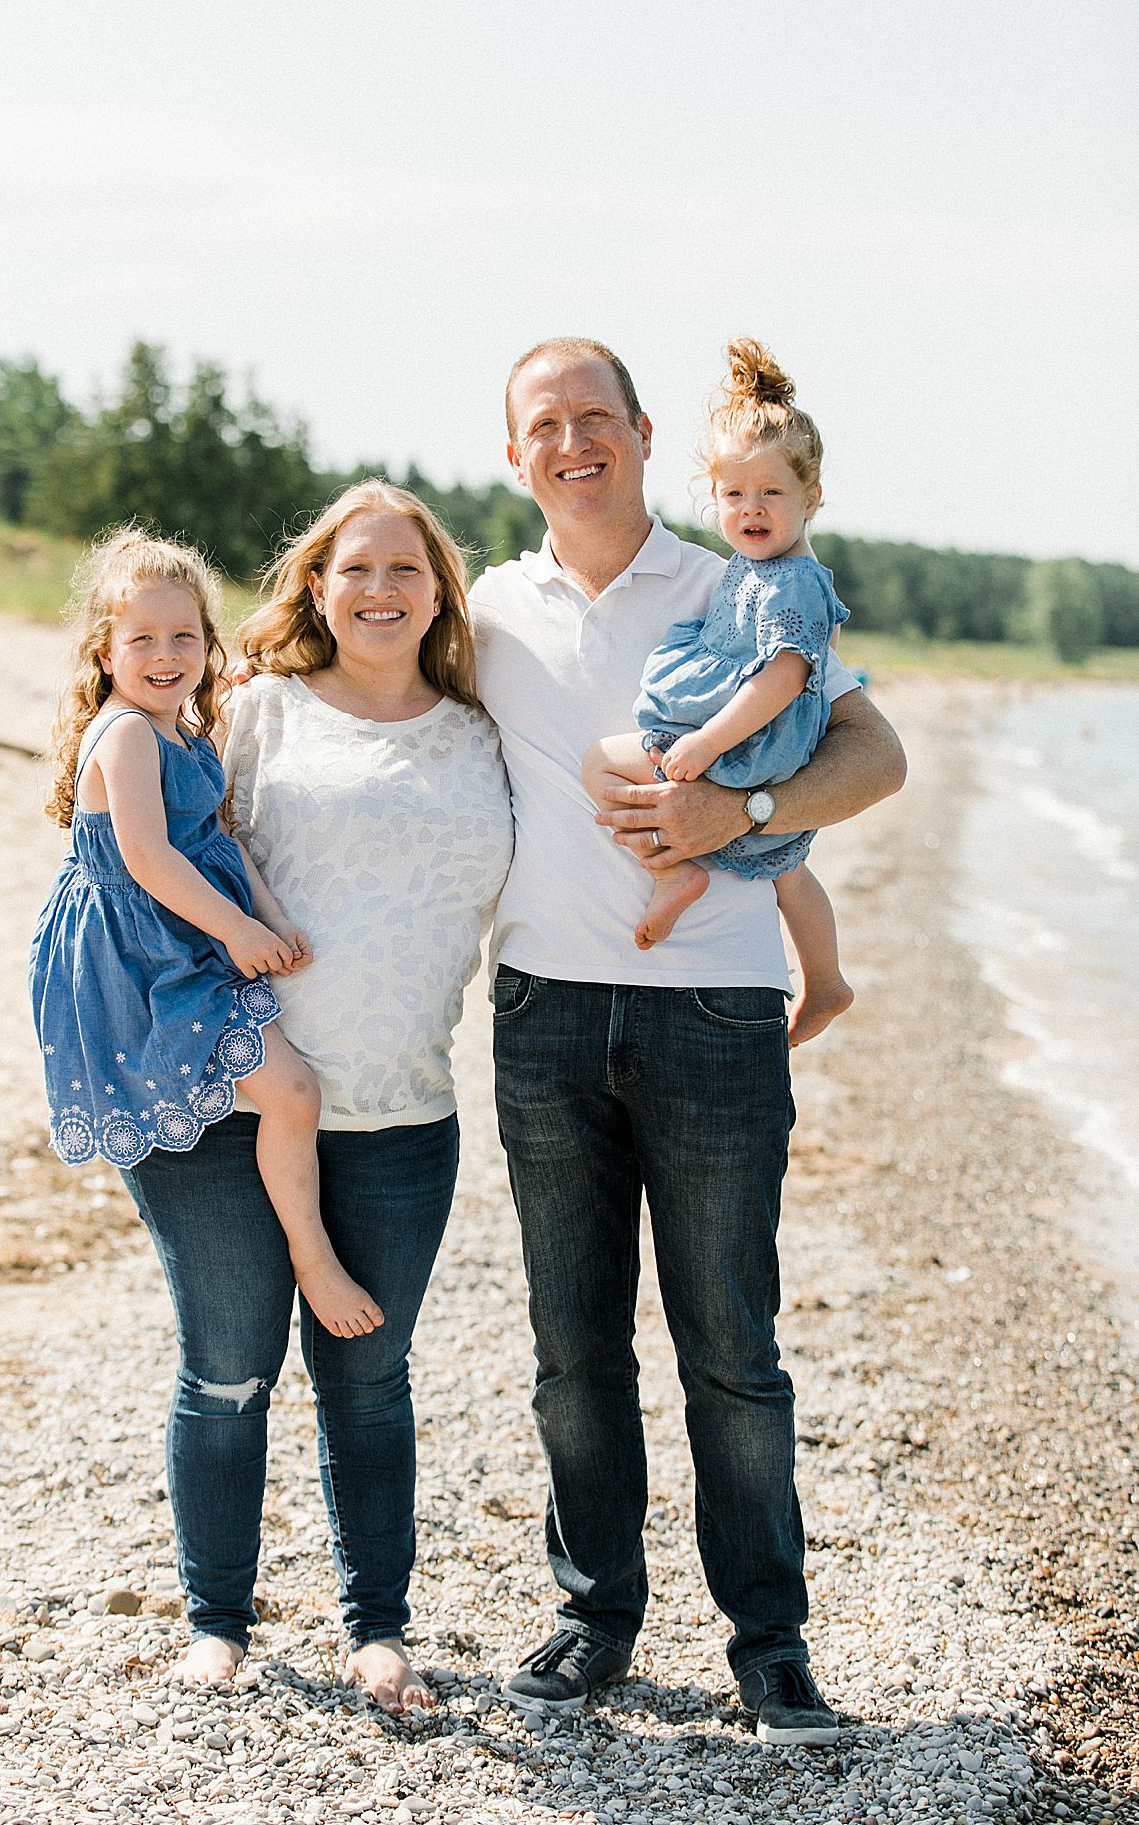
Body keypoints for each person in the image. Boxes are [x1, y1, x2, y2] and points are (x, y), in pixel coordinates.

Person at [469, 337, 906, 1745]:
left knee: (731, 1346)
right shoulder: (481, 610)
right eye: (547, 424)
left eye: (597, 417)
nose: (574, 442)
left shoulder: (742, 576)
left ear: (647, 434)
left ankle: (771, 1650)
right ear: (517, 452)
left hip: (715, 1016)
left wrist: (751, 821)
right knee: (573, 1347)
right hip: (541, 1015)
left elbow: (876, 756)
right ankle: (595, 1620)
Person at [115, 483, 513, 1707]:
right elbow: (140, 855)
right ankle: (216, 1620)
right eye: (356, 569)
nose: (381, 589)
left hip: (403, 1111)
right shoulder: (250, 712)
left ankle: (374, 1628)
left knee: (370, 1378)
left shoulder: (485, 729)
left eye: (406, 568)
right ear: (317, 588)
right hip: (228, 1107)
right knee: (230, 1371)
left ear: (440, 589)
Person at [29, 527, 383, 1338]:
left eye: (184, 635)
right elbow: (150, 857)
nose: (166, 653)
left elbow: (214, 838)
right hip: (143, 956)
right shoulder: (123, 734)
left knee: (287, 1095)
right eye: (142, 638)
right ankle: (310, 1254)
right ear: (104, 650)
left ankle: (292, 1237)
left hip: (185, 934)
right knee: (295, 1094)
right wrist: (236, 933)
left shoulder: (178, 725)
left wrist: (271, 916)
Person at [581, 337, 853, 1047]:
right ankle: (825, 982)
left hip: (746, 744)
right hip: (760, 751)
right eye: (734, 494)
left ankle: (673, 869)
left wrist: (704, 742)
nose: (750, 510)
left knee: (602, 763)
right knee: (789, 870)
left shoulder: (790, 581)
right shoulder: (759, 568)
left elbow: (785, 674)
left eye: (771, 494)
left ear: (811, 500)